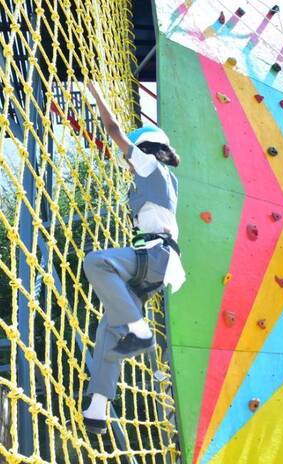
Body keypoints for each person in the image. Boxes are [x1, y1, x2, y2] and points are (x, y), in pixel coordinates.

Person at [82, 82, 186, 434]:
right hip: (156, 266)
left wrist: (97, 95)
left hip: (153, 256)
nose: (128, 163)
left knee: (97, 262)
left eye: (132, 156)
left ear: (145, 150)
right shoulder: (165, 181)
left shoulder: (151, 167)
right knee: (110, 328)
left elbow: (113, 131)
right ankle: (98, 407)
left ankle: (140, 330)